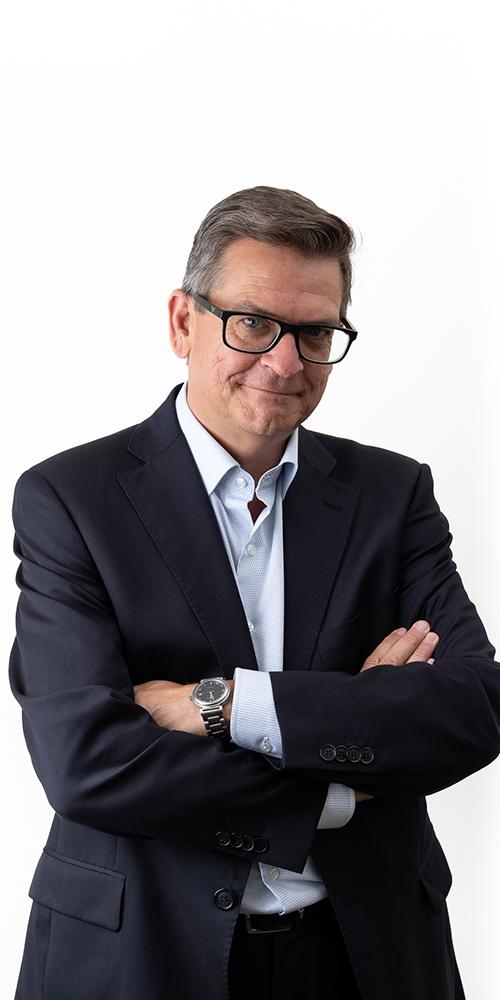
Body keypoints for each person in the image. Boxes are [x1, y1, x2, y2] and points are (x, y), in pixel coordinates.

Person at [9, 185, 500, 1000]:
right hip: (142, 954)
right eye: (252, 323)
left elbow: (474, 709)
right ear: (183, 322)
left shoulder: (392, 495)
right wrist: (339, 781)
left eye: (315, 333)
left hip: (364, 952)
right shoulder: (70, 499)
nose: (284, 362)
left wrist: (221, 706)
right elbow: (86, 763)